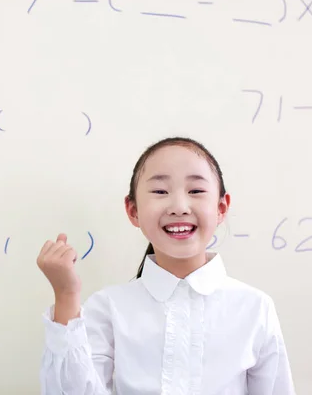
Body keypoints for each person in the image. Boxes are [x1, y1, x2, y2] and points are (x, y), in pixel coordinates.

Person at [36, 137, 296, 395]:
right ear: (133, 211)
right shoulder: (109, 307)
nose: (179, 207)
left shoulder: (255, 308)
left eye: (196, 191)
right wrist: (66, 295)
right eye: (160, 191)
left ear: (221, 207)